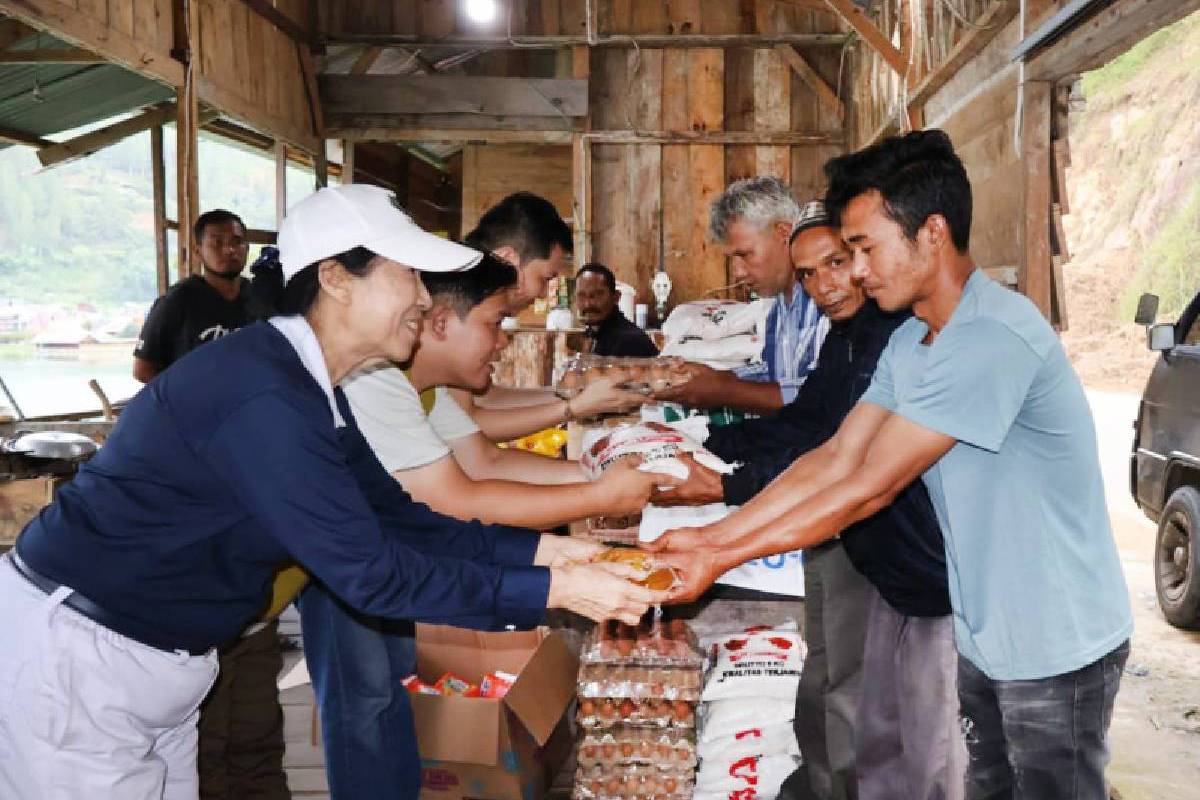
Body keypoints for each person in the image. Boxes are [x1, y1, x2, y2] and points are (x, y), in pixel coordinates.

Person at [0, 184, 663, 800]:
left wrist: (556, 559)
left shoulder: (309, 390)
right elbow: (369, 574)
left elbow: (402, 520)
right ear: (336, 278)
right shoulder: (264, 394)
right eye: (408, 275)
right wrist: (555, 591)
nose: (428, 299)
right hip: (83, 662)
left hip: (156, 664)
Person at [653, 131, 1133, 800]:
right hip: (985, 629)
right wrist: (709, 539)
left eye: (864, 249)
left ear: (931, 233)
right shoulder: (913, 338)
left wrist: (719, 555)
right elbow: (836, 457)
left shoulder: (991, 337)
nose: (854, 272)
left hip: (1056, 643)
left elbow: (868, 488)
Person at [303, 253, 675, 797]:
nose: (504, 342)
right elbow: (454, 500)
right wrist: (590, 504)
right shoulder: (375, 381)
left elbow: (480, 467)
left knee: (395, 695)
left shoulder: (421, 384)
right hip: (342, 570)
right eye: (494, 324)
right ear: (437, 323)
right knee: (365, 708)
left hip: (391, 555)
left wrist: (578, 511)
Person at [653, 202, 961, 800]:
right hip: (850, 528)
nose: (827, 285)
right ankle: (820, 780)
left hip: (887, 538)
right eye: (810, 275)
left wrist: (724, 507)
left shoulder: (896, 337)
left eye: (840, 264)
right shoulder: (850, 336)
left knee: (866, 695)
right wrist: (709, 441)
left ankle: (841, 786)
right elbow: (806, 424)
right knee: (823, 667)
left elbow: (846, 459)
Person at [450, 192, 646, 442]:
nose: (543, 294)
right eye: (545, 278)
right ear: (508, 260)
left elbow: (485, 397)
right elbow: (467, 425)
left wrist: (574, 395)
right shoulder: (454, 303)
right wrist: (572, 408)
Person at [654, 177, 829, 414]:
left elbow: (824, 398)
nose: (737, 272)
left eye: (745, 255)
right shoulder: (777, 307)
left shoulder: (826, 301)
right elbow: (774, 375)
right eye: (732, 259)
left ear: (784, 234)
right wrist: (707, 379)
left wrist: (725, 389)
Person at [134, 209, 253, 383]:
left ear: (247, 247)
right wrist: (186, 398)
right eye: (217, 243)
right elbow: (143, 370)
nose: (229, 250)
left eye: (237, 242)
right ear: (198, 252)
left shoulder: (260, 297)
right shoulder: (178, 300)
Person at [575, 262, 659, 357]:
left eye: (597, 295)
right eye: (581, 296)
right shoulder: (593, 334)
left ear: (616, 297)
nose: (588, 304)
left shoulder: (631, 341)